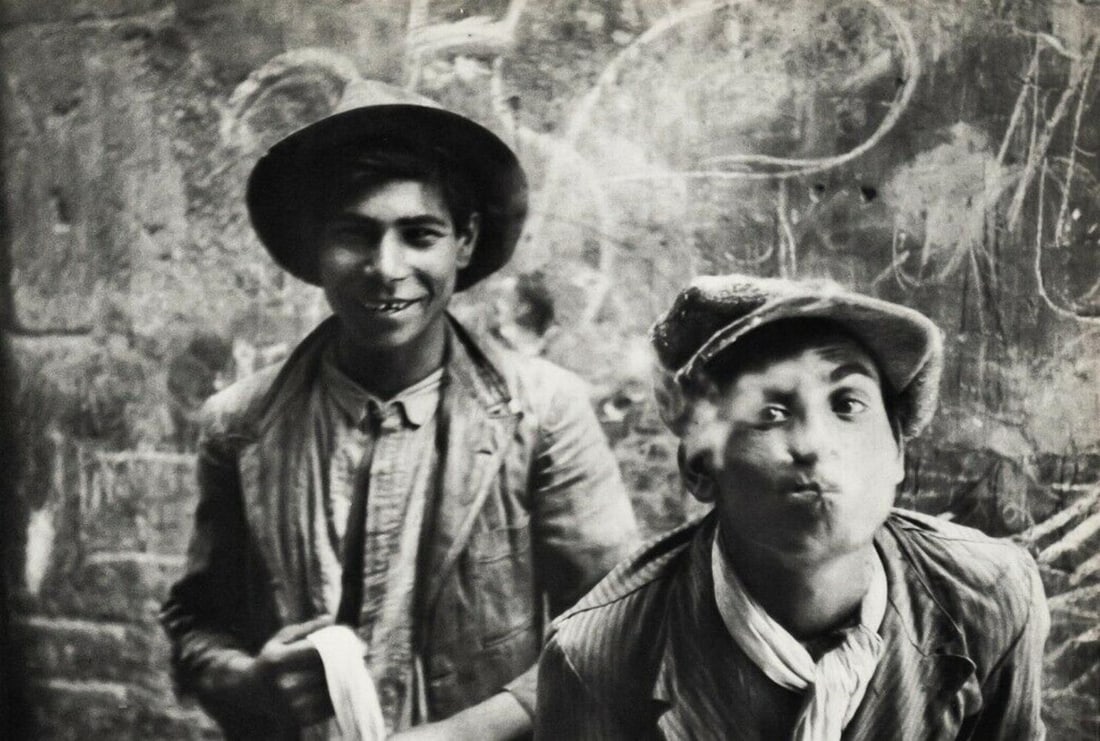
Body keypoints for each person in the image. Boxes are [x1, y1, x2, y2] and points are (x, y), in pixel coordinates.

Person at [160, 82, 639, 740]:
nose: (386, 268)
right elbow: (196, 624)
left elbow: (620, 628)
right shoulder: (239, 424)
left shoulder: (543, 414)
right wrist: (248, 682)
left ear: (464, 242)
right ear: (316, 245)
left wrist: (467, 732)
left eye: (418, 235)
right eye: (355, 235)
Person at [535, 273, 1049, 740]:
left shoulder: (990, 597)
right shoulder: (596, 657)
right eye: (771, 411)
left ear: (898, 452)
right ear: (699, 468)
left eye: (847, 404)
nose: (814, 443)